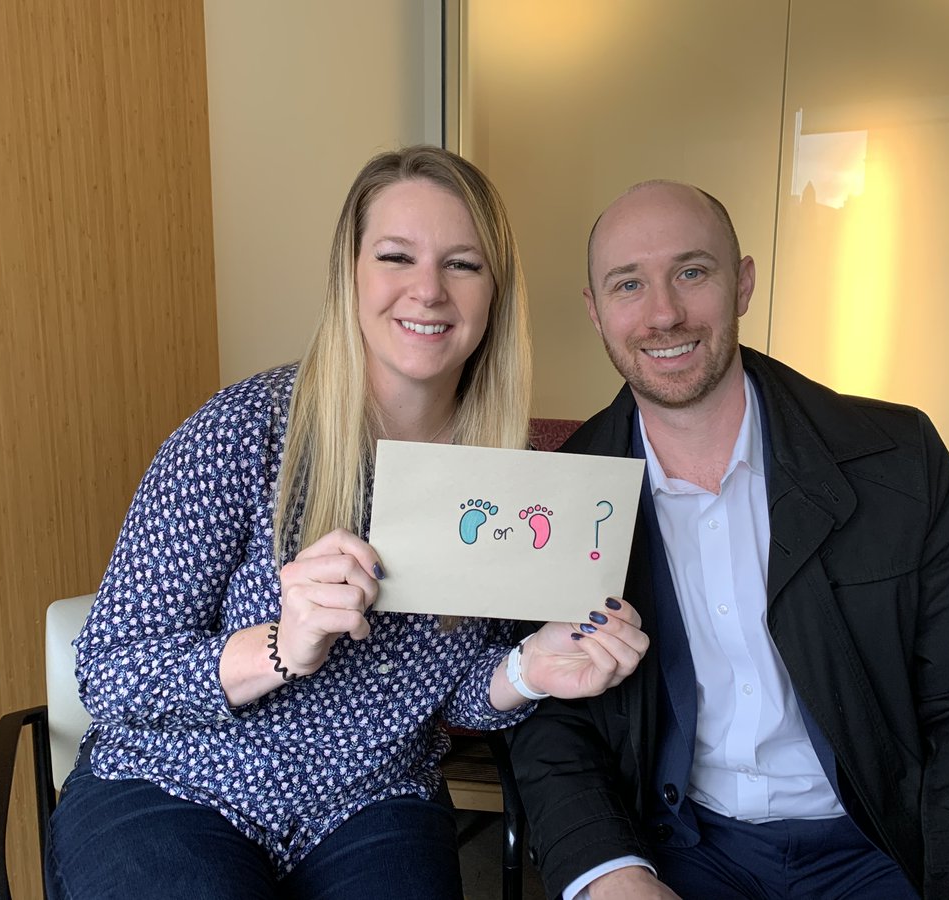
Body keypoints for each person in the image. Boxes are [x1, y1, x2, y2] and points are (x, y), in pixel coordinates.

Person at [44, 146, 648, 900]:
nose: (428, 290)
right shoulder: (241, 433)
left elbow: (447, 694)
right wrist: (278, 646)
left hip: (372, 803)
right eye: (396, 256)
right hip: (177, 783)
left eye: (462, 264)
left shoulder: (511, 484)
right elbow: (109, 670)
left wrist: (528, 669)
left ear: (495, 293)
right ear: (349, 275)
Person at [507, 180, 949, 900]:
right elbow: (554, 722)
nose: (664, 313)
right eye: (628, 284)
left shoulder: (899, 459)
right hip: (679, 847)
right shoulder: (565, 493)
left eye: (692, 272)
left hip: (884, 844)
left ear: (742, 284)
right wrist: (610, 872)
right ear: (595, 311)